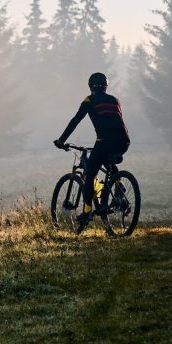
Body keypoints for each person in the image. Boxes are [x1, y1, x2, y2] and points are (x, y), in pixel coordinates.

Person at [54, 72, 130, 234]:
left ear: (90, 86)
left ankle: (87, 211)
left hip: (104, 141)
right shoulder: (114, 100)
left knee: (89, 176)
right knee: (106, 159)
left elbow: (75, 121)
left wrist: (61, 140)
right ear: (106, 86)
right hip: (124, 142)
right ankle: (118, 185)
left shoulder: (89, 101)